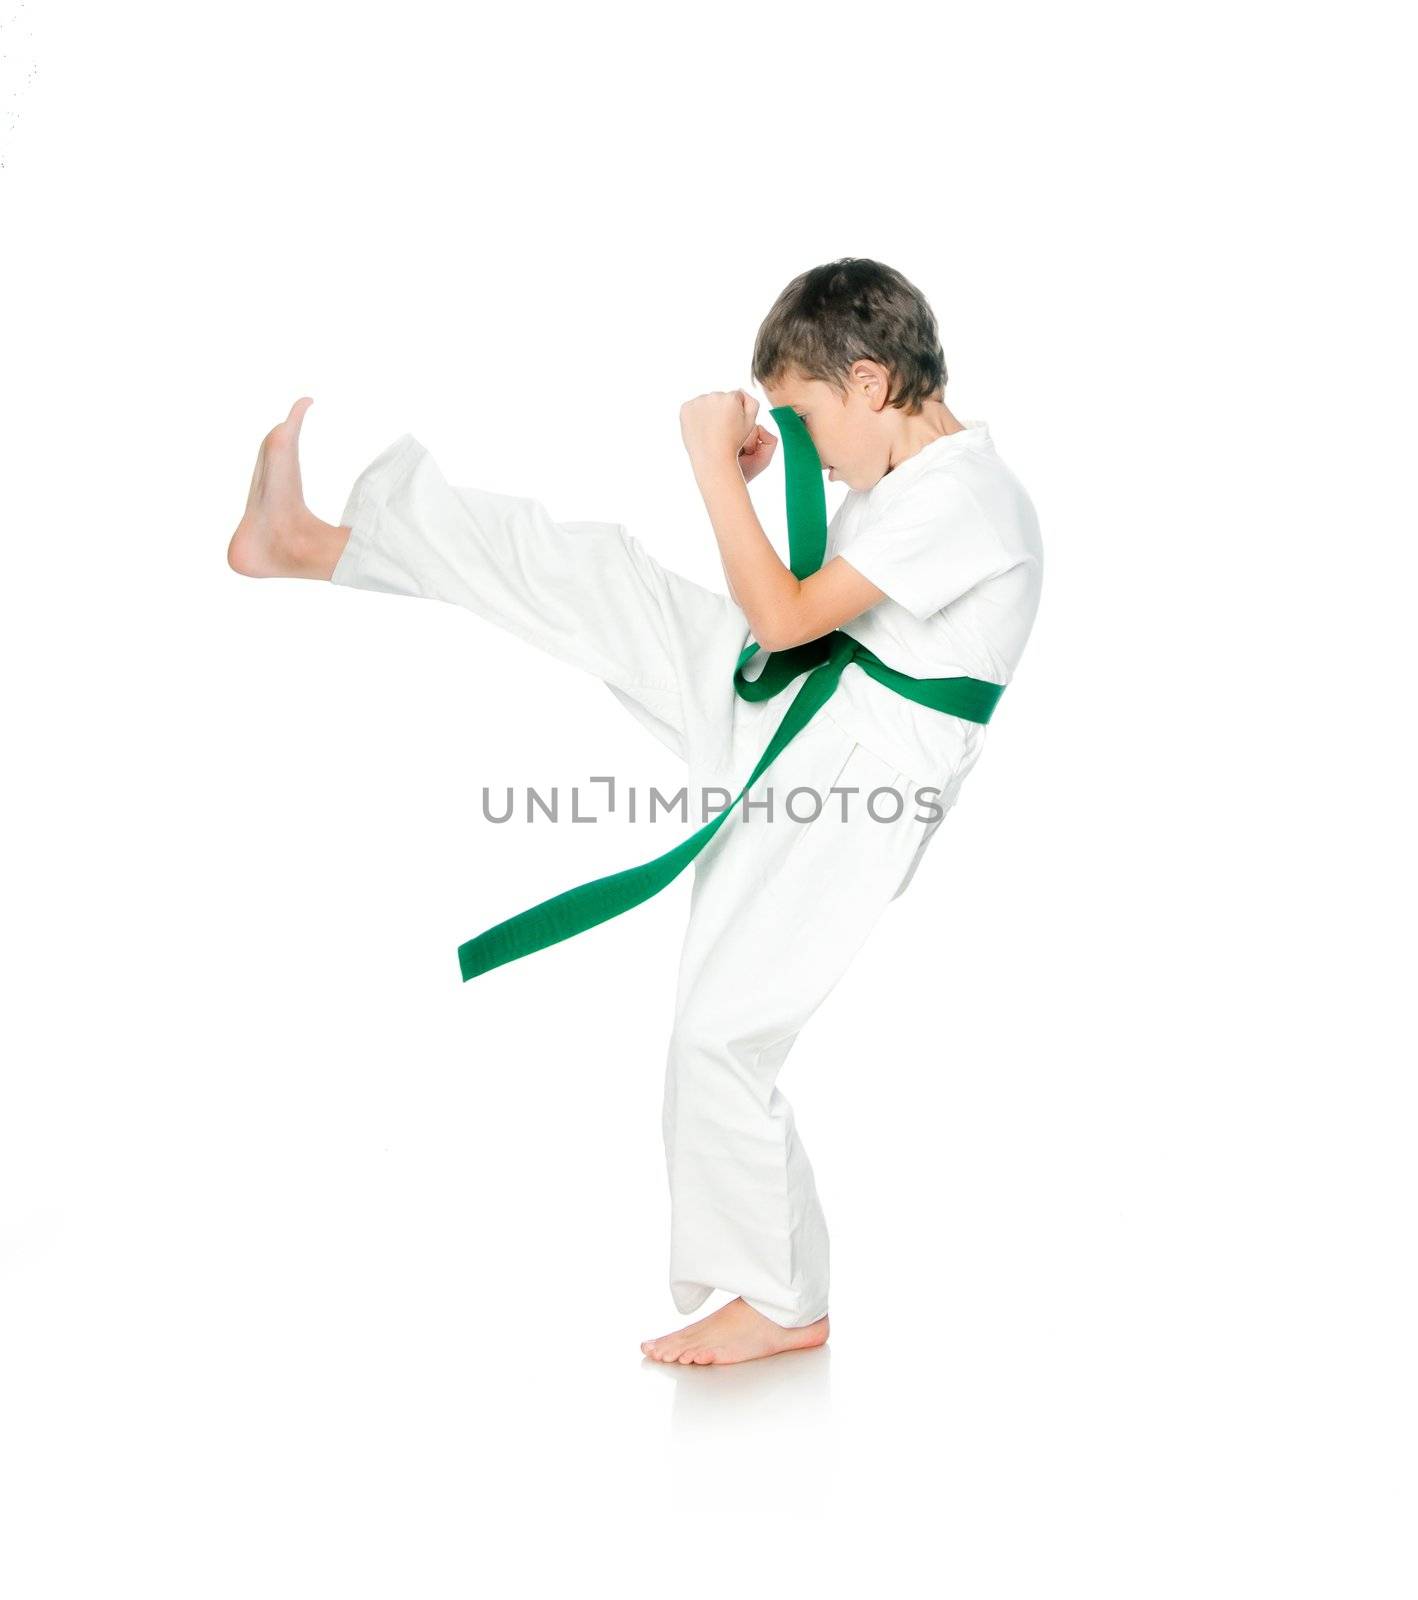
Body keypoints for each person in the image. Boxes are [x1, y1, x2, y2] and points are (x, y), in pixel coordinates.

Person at [226, 257, 1044, 1365]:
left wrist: (712, 475)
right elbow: (802, 617)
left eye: (804, 419)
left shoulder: (967, 496)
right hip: (808, 706)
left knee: (719, 1030)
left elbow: (793, 612)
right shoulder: (906, 475)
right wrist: (761, 476)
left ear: (868, 380)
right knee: (595, 576)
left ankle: (784, 1299)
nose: (805, 446)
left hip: (851, 787)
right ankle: (318, 545)